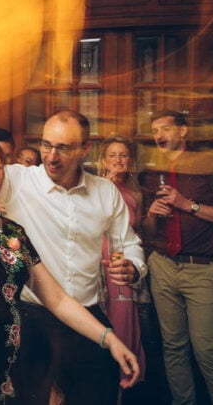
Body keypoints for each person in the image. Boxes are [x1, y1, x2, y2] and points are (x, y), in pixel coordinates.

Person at [0, 110, 147, 404]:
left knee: (98, 392)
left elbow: (129, 244)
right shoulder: (16, 178)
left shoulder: (105, 193)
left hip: (85, 311)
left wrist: (133, 266)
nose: (51, 156)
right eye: (46, 145)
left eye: (63, 148)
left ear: (85, 149)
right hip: (31, 317)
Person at [141, 110, 213, 405]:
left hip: (201, 270)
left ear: (183, 132)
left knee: (206, 351)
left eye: (165, 128)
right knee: (173, 347)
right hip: (162, 265)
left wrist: (188, 205)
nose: (158, 135)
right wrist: (150, 214)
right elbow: (147, 232)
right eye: (154, 130)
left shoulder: (211, 166)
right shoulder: (152, 173)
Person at [97, 136, 147, 387]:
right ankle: (102, 373)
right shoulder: (96, 186)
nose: (118, 160)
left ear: (130, 161)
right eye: (113, 155)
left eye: (123, 155)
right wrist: (103, 189)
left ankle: (124, 373)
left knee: (123, 310)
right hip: (99, 255)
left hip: (123, 257)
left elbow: (138, 231)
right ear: (103, 161)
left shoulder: (136, 191)